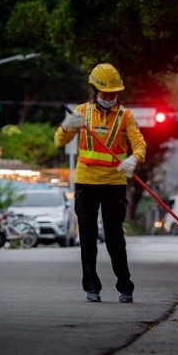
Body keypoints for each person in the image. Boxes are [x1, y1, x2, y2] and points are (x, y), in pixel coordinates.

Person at [55, 63, 146, 303]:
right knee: (87, 236)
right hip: (86, 182)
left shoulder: (126, 116)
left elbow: (140, 144)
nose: (109, 97)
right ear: (95, 90)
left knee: (115, 236)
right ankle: (91, 287)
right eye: (105, 93)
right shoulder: (81, 113)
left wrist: (133, 159)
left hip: (115, 182)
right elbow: (58, 140)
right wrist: (66, 126)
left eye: (114, 93)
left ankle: (125, 285)